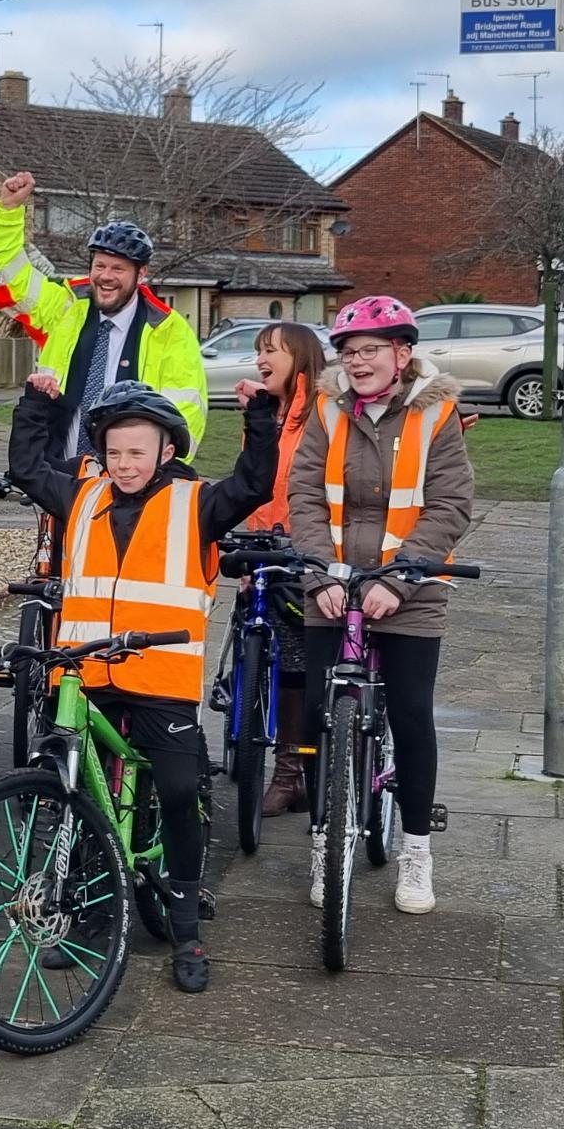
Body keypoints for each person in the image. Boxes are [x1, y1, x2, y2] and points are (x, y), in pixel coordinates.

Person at [9, 374, 279, 994]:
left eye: (138, 451)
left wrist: (260, 416)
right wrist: (37, 406)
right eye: (114, 451)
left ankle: (186, 922)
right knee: (77, 795)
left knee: (182, 790)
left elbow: (254, 483)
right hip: (85, 673)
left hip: (162, 679)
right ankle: (88, 911)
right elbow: (26, 467)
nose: (124, 464)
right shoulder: (81, 497)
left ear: (166, 451)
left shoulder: (197, 503)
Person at [286, 295, 473, 917]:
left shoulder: (437, 412)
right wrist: (319, 575)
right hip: (334, 585)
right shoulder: (326, 410)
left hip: (410, 589)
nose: (358, 362)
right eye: (348, 352)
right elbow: (304, 495)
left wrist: (401, 577)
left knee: (413, 714)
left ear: (403, 353)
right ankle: (324, 839)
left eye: (371, 350)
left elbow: (449, 506)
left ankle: (416, 847)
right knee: (318, 716)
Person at [0, 169, 207, 462]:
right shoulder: (66, 307)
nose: (106, 277)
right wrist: (10, 211)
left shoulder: (169, 331)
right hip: (59, 477)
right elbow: (6, 280)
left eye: (118, 269)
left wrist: (160, 475)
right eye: (100, 266)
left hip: (131, 484)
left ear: (141, 274)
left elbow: (185, 415)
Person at [243, 321, 327, 816]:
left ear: (300, 357)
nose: (260, 359)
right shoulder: (266, 413)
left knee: (297, 663)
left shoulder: (321, 413)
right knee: (255, 650)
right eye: (258, 351)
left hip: (305, 553)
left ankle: (291, 771)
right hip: (262, 548)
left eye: (270, 350)